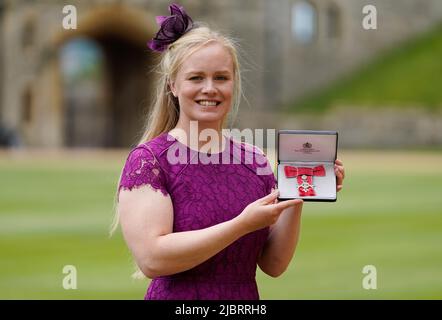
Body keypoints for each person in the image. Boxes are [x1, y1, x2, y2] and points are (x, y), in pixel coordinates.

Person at [114, 3, 345, 300]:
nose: (210, 88)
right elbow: (153, 259)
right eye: (196, 78)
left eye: (221, 78)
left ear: (234, 83)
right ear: (172, 85)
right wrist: (241, 225)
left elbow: (273, 265)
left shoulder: (255, 161)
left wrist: (297, 190)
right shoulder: (149, 161)